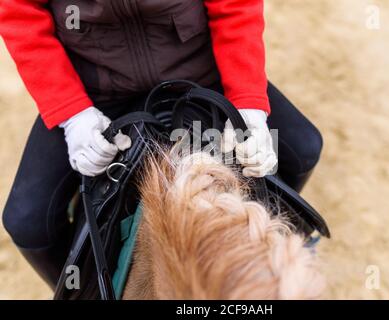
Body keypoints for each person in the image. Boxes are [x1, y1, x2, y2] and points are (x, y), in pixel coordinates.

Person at [0, 0, 323, 290]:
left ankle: (275, 242)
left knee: (304, 148)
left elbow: (235, 7)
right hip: (97, 93)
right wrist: (73, 114)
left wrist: (248, 106)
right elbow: (19, 13)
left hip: (201, 77)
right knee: (27, 223)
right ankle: (81, 287)